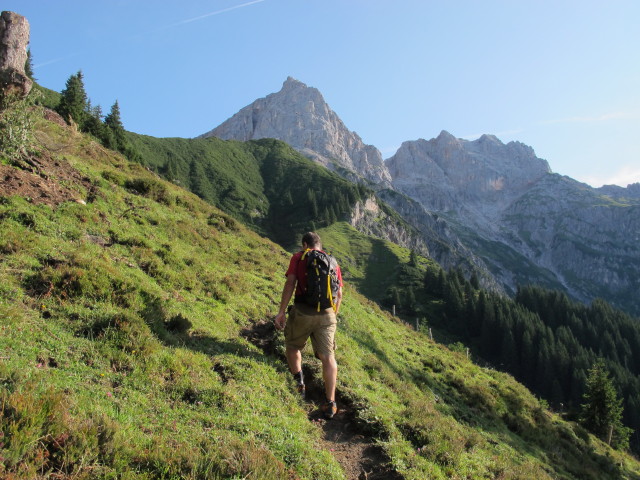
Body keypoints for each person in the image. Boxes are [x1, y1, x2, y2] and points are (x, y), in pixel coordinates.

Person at [274, 232, 343, 419]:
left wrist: (281, 312)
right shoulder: (332, 262)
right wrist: (331, 316)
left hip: (303, 311)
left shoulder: (299, 257)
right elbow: (339, 295)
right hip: (328, 315)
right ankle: (331, 402)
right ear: (320, 245)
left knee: (293, 346)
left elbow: (290, 283)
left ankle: (299, 382)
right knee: (329, 357)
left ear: (305, 244)